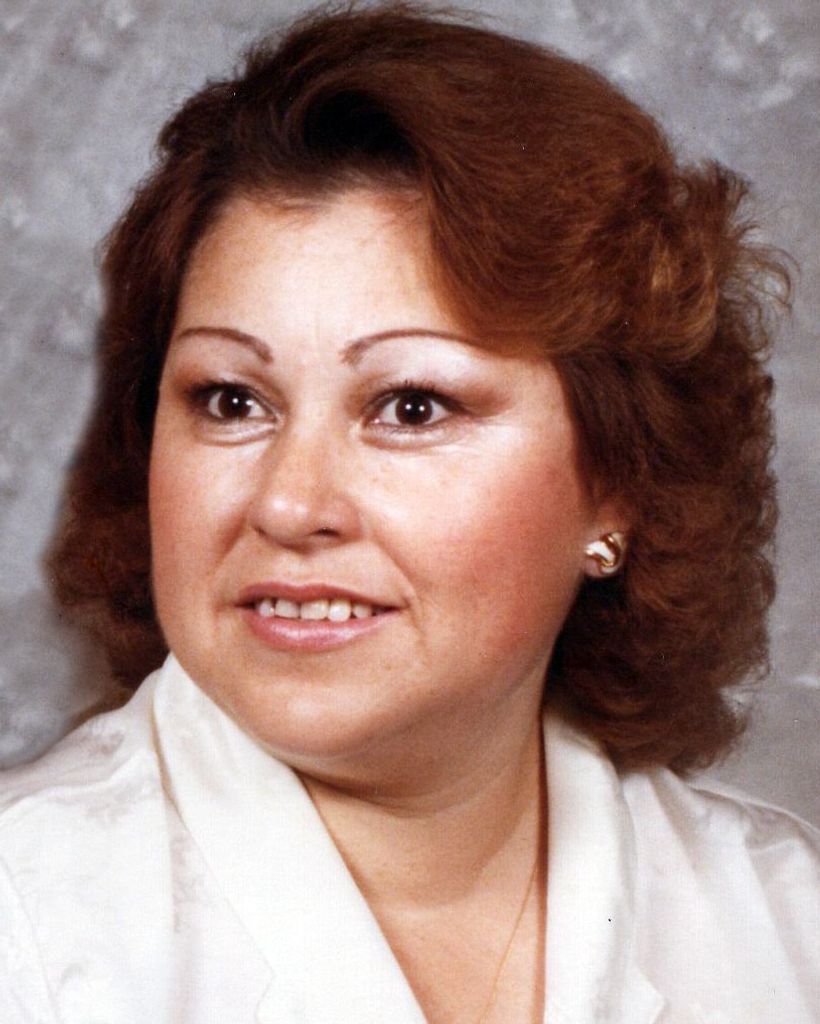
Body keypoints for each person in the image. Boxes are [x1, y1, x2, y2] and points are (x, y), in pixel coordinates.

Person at [1, 4, 818, 1022]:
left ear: (619, 480)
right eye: (232, 401)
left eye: (412, 407)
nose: (289, 503)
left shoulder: (787, 923)